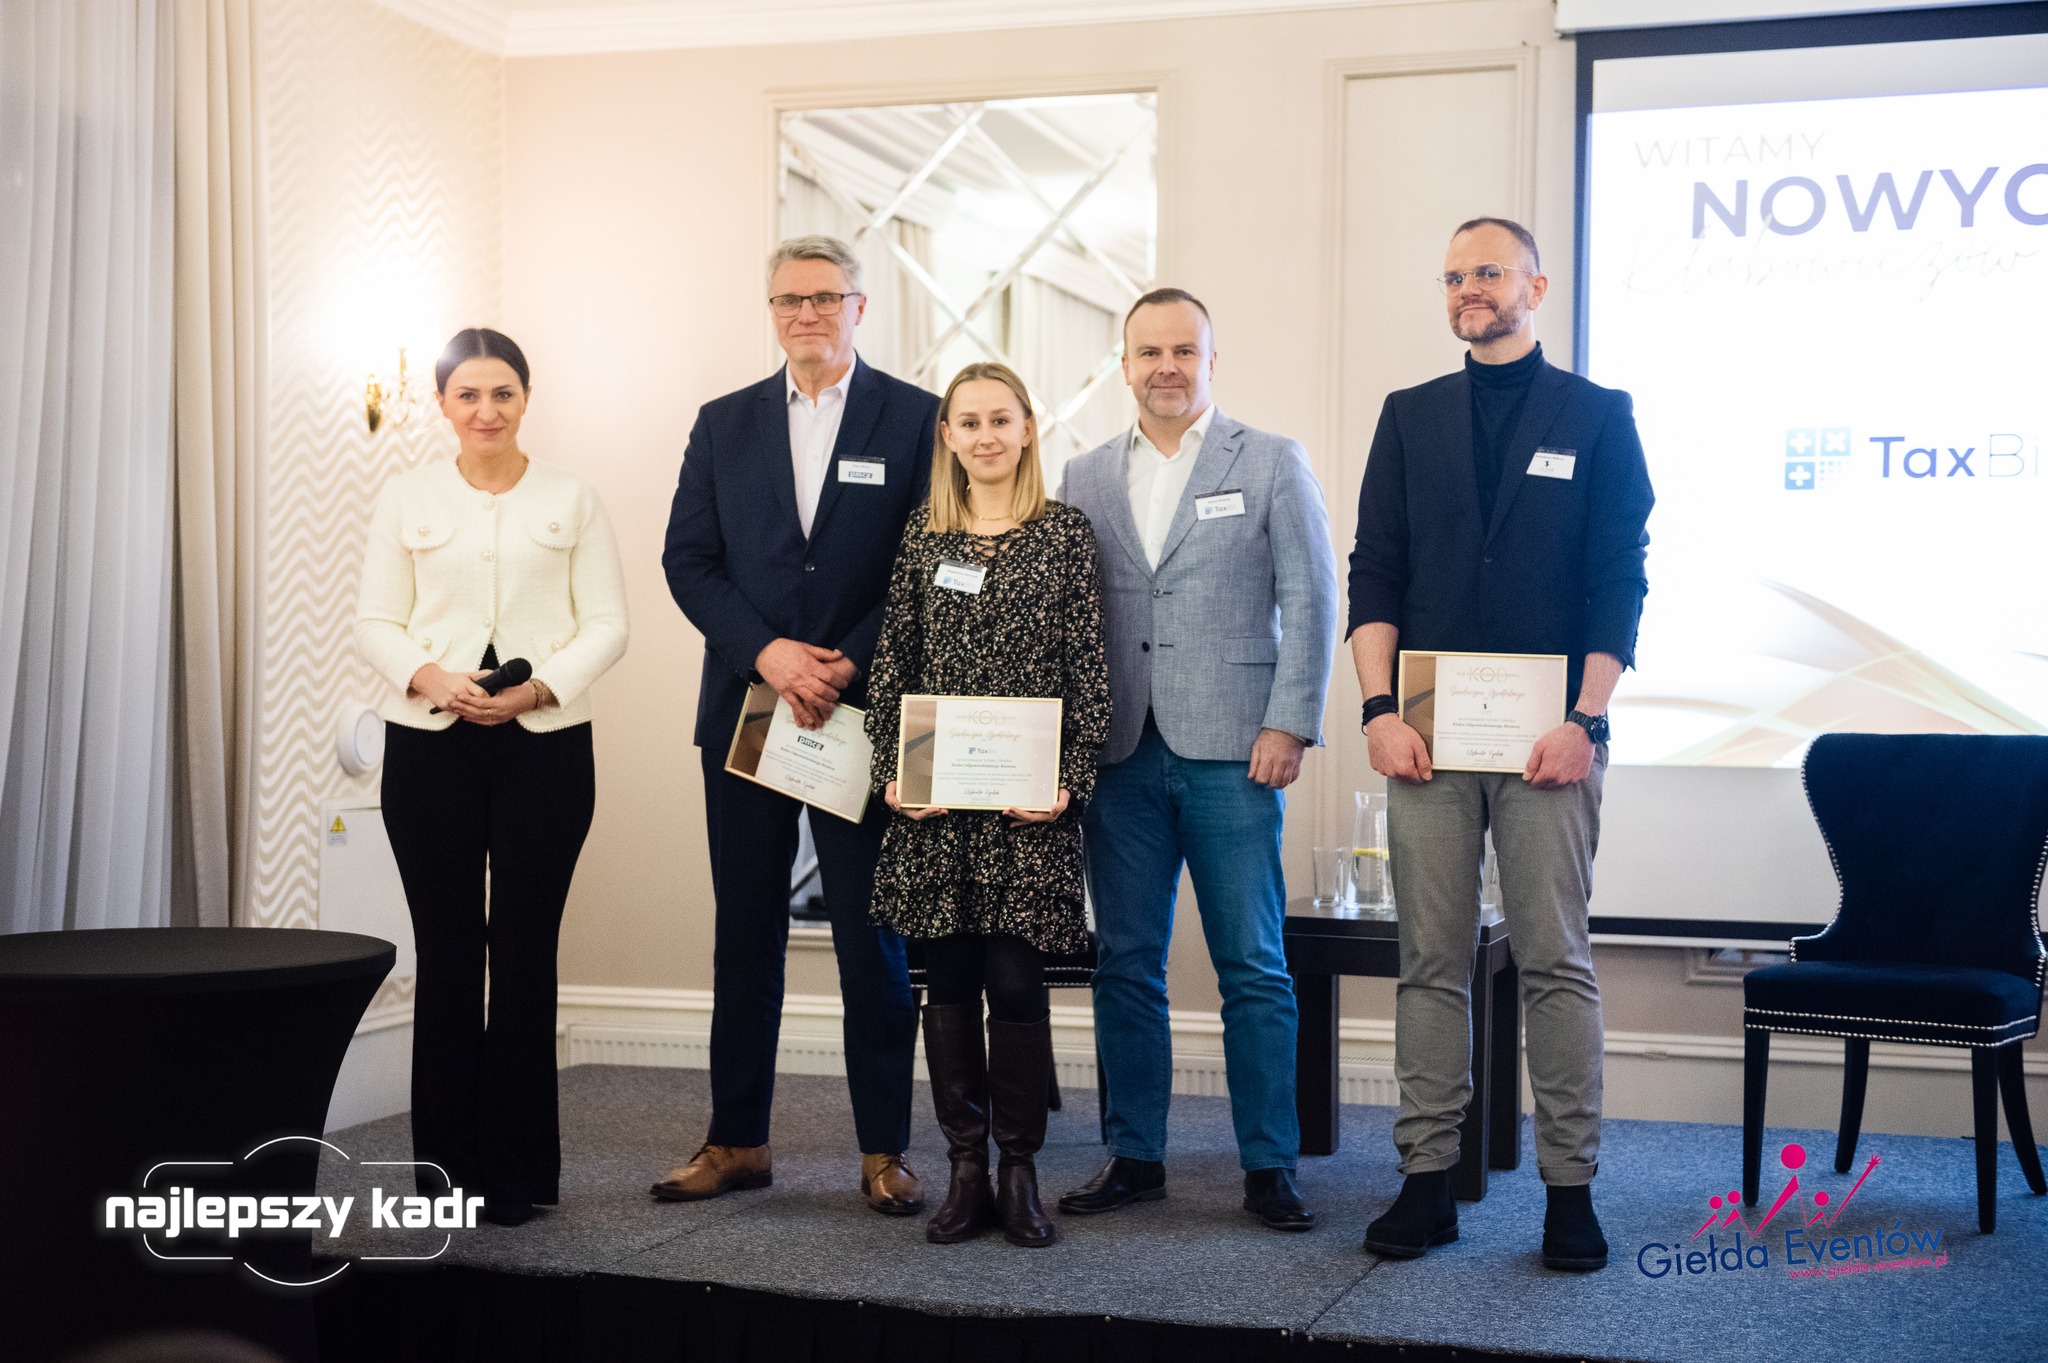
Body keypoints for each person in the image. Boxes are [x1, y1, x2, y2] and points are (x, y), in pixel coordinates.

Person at [1347, 217, 1653, 1271]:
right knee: (1429, 962)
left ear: (1535, 285)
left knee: (1553, 960)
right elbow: (1375, 569)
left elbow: (1619, 576)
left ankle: (1570, 1192)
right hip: (1425, 738)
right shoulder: (1409, 415)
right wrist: (1376, 710)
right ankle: (1426, 1182)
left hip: (1548, 741)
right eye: (1451, 276)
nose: (1466, 288)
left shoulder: (1598, 415)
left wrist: (1587, 720)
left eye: (1486, 271)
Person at [656, 236, 941, 1214]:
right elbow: (688, 560)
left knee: (873, 938)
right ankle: (736, 1138)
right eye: (789, 300)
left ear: (860, 307)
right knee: (745, 932)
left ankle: (883, 1149)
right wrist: (770, 655)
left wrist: (845, 659)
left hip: (862, 714)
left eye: (825, 297)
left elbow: (926, 558)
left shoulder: (916, 417)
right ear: (771, 311)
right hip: (748, 710)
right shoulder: (723, 422)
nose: (806, 313)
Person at [1056, 288, 1339, 1231]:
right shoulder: (1085, 474)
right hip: (1119, 753)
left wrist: (1289, 723)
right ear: (1124, 365)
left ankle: (1270, 1164)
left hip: (1235, 750)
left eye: (1185, 350)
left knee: (1252, 964)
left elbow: (1312, 597)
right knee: (1125, 961)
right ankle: (1135, 1153)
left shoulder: (1269, 460)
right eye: (1149, 352)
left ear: (1212, 360)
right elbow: (1069, 614)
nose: (1167, 366)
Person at [356, 327, 629, 1226]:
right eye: (468, 394)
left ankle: (514, 1177)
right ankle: (444, 1177)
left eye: (502, 392)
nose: (486, 410)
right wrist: (433, 678)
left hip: (544, 745)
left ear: (526, 398)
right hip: (428, 745)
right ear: (441, 403)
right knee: (446, 953)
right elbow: (375, 621)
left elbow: (608, 624)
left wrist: (536, 690)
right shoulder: (406, 496)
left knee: (523, 954)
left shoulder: (572, 497)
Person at [864, 362, 1111, 1248]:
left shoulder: (1066, 534)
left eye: (1000, 419)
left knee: (1014, 979)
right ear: (948, 437)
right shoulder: (923, 535)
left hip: (1026, 809)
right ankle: (965, 1168)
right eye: (968, 422)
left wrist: (1069, 781)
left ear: (1028, 428)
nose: (985, 436)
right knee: (949, 981)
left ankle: (1018, 1168)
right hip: (938, 808)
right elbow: (894, 663)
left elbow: (1088, 668)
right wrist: (893, 772)